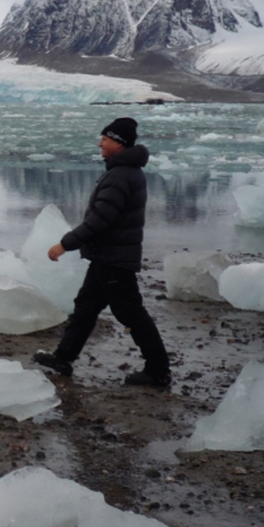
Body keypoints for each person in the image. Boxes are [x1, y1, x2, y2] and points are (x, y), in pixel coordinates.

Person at [33, 117, 171, 387]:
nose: (100, 143)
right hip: (106, 256)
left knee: (131, 313)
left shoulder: (120, 176)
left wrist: (65, 244)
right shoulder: (124, 171)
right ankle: (63, 357)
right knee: (86, 307)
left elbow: (100, 220)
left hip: (113, 259)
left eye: (105, 139)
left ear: (118, 144)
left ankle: (158, 370)